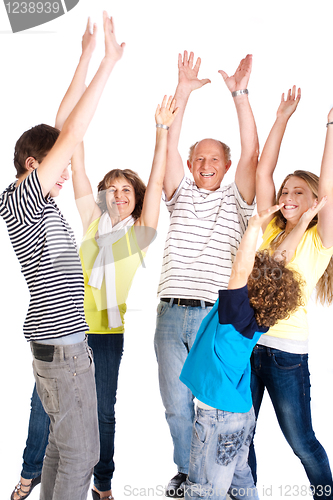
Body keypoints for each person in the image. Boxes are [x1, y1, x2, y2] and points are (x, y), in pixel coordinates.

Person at [9, 17, 179, 500]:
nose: (119, 196)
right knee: (49, 418)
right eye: (112, 190)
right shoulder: (86, 220)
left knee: (95, 421)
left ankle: (99, 483)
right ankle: (29, 472)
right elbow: (72, 139)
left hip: (96, 337)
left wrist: (160, 132)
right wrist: (94, 60)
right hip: (63, 338)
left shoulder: (134, 236)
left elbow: (74, 142)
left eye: (128, 192)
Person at [1, 11, 124, 500]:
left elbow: (62, 126)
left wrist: (86, 54)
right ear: (34, 166)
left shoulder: (34, 198)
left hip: (63, 346)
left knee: (62, 448)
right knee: (82, 455)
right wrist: (109, 65)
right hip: (63, 349)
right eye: (55, 167)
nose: (64, 174)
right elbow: (69, 135)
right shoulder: (23, 196)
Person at [154, 50, 259, 497]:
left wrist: (239, 95)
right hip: (169, 314)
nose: (203, 165)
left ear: (226, 165)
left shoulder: (238, 200)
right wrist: (182, 91)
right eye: (198, 158)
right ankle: (188, 473)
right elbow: (171, 148)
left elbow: (253, 151)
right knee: (177, 408)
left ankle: (229, 481)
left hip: (214, 318)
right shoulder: (180, 195)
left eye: (213, 159)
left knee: (218, 407)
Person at [179, 196, 323, 500]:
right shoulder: (257, 318)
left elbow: (239, 270)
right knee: (241, 481)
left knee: (204, 489)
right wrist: (303, 223)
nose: (261, 258)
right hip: (240, 414)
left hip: (217, 415)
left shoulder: (235, 313)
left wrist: (253, 229)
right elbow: (280, 257)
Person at [249, 86, 333, 500]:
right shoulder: (268, 228)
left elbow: (330, 184)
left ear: (317, 201)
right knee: (239, 434)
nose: (287, 197)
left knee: (302, 442)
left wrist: (331, 126)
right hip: (246, 345)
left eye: (299, 191)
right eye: (286, 191)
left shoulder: (320, 239)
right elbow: (264, 173)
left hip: (286, 355)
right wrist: (281, 117)